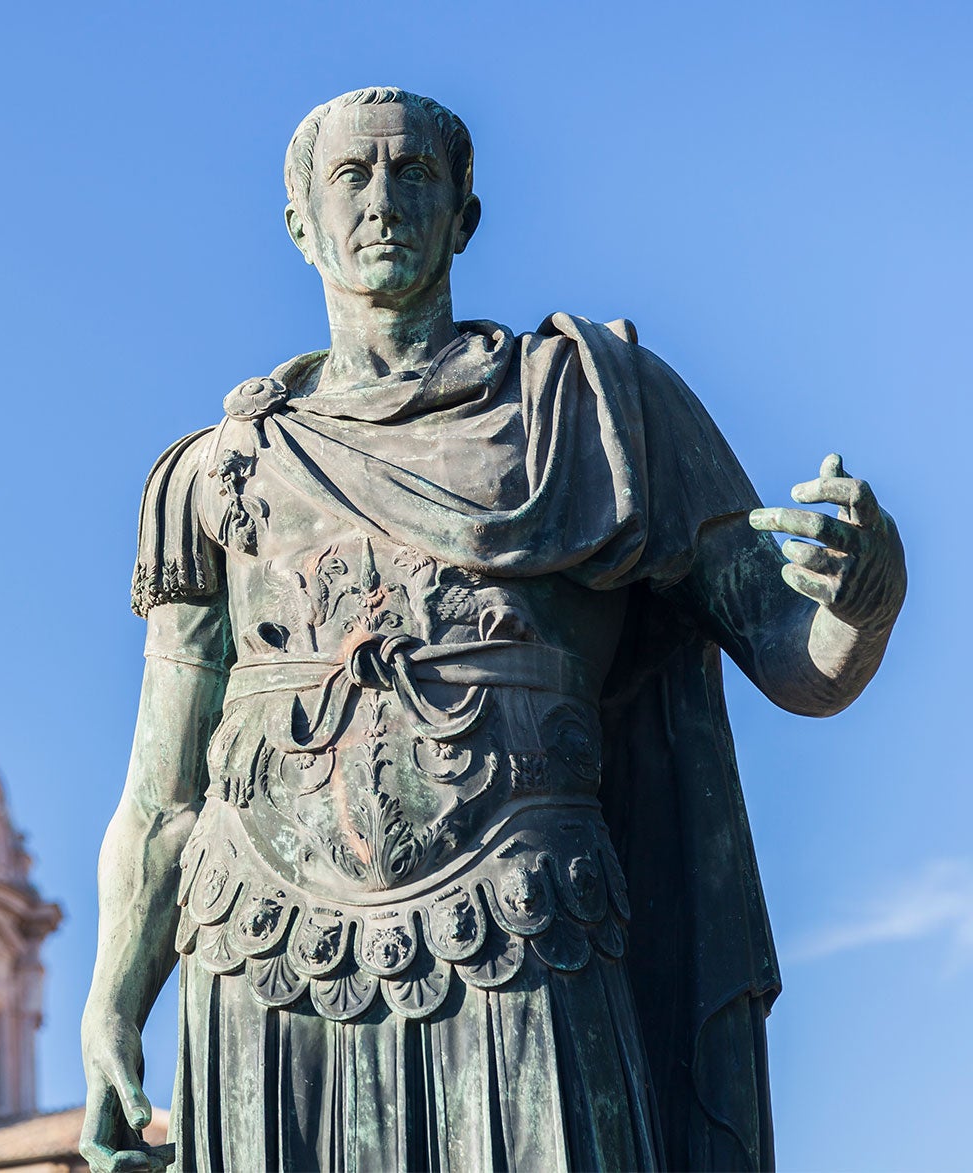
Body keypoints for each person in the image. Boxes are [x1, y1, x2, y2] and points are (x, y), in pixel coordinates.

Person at [80, 87, 905, 1172]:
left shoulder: (596, 412)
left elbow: (800, 665)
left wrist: (863, 592)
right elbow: (161, 790)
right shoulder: (215, 472)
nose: (382, 201)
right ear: (300, 225)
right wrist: (112, 1000)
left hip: (522, 932)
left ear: (463, 215)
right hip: (259, 957)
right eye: (352, 176)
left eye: (413, 174)